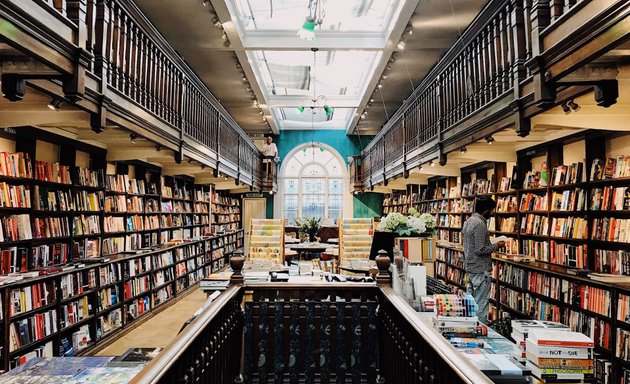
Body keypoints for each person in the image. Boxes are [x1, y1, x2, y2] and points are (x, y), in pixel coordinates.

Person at [462, 196, 504, 324]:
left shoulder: (469, 221)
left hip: (471, 267)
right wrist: (498, 245)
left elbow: (474, 245)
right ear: (485, 210)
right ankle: (479, 329)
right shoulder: (480, 224)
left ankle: (469, 325)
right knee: (481, 303)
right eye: (492, 210)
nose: (493, 212)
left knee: (470, 301)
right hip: (480, 269)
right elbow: (480, 250)